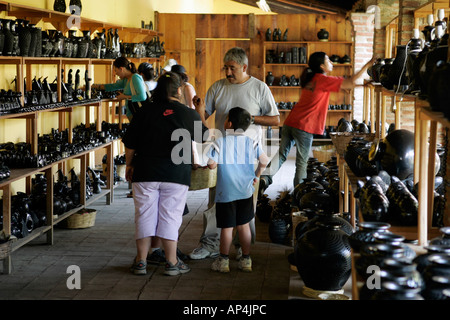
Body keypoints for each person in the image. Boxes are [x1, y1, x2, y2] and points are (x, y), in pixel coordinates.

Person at [189, 47, 280, 260]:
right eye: (226, 68)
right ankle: (210, 244)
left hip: (248, 158)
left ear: (244, 67)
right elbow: (204, 120)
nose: (228, 72)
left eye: (233, 68)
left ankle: (243, 249)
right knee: (217, 204)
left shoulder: (259, 88)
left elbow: (276, 119)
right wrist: (198, 110)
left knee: (246, 207)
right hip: (222, 155)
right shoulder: (217, 87)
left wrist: (249, 119)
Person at [122, 71, 209, 276]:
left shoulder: (144, 111)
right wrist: (200, 111)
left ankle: (141, 261)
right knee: (170, 216)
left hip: (145, 171)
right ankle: (171, 262)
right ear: (179, 90)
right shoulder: (187, 113)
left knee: (144, 214)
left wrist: (129, 165)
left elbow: (130, 144)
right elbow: (203, 136)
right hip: (176, 174)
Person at [259, 52, 376, 191]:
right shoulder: (323, 80)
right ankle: (300, 193)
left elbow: (347, 85)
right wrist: (368, 64)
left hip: (291, 121)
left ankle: (264, 179)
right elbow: (349, 81)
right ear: (322, 66)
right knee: (302, 163)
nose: (331, 62)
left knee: (281, 154)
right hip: (304, 125)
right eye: (328, 60)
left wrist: (361, 86)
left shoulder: (313, 78)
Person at [206, 107, 269, 273]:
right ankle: (246, 260)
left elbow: (211, 164)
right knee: (244, 226)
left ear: (229, 123)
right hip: (245, 191)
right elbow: (264, 160)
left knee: (227, 228)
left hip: (226, 193)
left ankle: (223, 261)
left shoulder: (220, 142)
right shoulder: (251, 142)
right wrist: (257, 174)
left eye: (226, 119)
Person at [92, 57, 148, 121]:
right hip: (132, 114)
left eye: (116, 70)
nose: (116, 73)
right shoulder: (126, 80)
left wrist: (125, 97)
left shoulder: (135, 77)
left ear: (121, 69)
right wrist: (97, 87)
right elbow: (113, 86)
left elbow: (142, 97)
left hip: (138, 115)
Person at [171, 64, 201, 168]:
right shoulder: (176, 87)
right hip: (180, 119)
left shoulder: (187, 87)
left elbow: (191, 107)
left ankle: (196, 173)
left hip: (188, 119)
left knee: (192, 147)